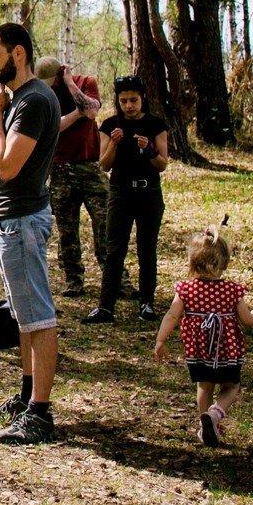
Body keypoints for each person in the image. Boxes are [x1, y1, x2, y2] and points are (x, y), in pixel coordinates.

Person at [0, 23, 63, 446]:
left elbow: (8, 166)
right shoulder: (23, 99)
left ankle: (41, 415)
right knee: (23, 315)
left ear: (19, 54)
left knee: (39, 316)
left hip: (23, 222)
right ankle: (28, 396)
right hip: (12, 219)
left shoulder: (32, 102)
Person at [154, 228, 253, 446]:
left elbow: (172, 315)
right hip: (226, 352)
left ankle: (205, 427)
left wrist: (160, 340)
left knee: (204, 386)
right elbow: (246, 320)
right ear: (224, 262)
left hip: (199, 351)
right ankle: (214, 414)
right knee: (231, 386)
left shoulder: (185, 289)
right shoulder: (232, 290)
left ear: (192, 261)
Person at [87, 74, 171, 323]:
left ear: (142, 98)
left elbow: (162, 164)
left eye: (133, 100)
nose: (129, 106)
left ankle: (147, 303)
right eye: (123, 101)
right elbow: (103, 164)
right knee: (114, 250)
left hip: (148, 193)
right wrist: (113, 144)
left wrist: (149, 150)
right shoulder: (110, 125)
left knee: (147, 249)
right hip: (120, 192)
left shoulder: (156, 125)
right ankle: (105, 307)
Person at [35, 56, 107, 300]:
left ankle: (114, 276)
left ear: (61, 73)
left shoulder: (86, 82)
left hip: (89, 166)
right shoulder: (44, 97)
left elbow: (92, 111)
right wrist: (77, 113)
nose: (48, 85)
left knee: (104, 222)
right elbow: (52, 127)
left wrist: (69, 83)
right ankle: (73, 279)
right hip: (60, 169)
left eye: (52, 80)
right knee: (67, 229)